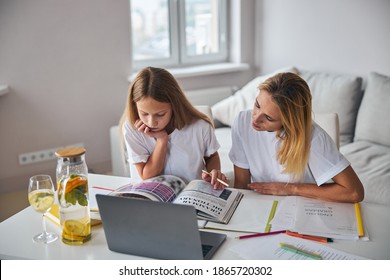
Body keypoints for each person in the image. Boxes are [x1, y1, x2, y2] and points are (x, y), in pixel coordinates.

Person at [229, 72, 364, 203]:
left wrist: (291, 189)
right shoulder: (242, 121)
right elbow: (241, 185)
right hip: (261, 205)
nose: (256, 119)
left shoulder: (314, 139)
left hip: (301, 208)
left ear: (289, 121)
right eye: (257, 105)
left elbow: (354, 192)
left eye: (269, 118)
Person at [119, 66, 228, 189]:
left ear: (174, 105)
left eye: (160, 114)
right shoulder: (132, 128)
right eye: (144, 113)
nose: (151, 122)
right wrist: (161, 141)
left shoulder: (200, 126)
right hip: (155, 196)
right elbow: (147, 176)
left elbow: (211, 156)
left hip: (191, 193)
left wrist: (214, 173)